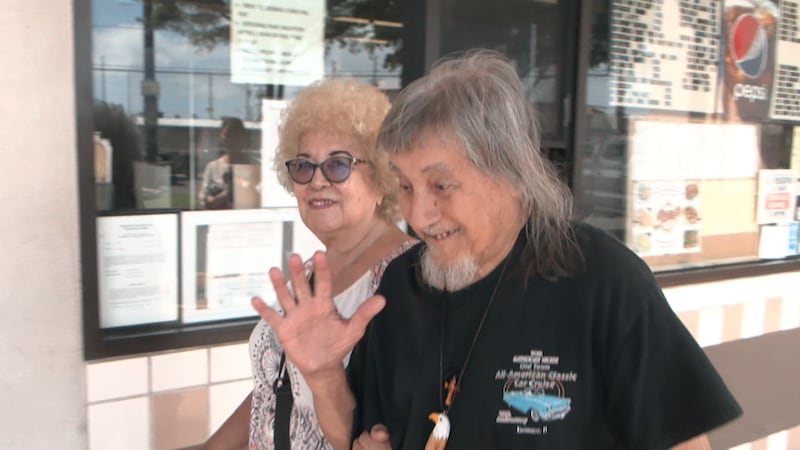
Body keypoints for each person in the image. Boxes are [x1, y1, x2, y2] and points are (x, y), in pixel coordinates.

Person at [252, 50, 742, 450]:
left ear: (510, 173)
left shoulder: (602, 281)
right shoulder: (401, 287)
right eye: (404, 186)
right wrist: (321, 375)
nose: (420, 215)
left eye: (442, 185)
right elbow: (358, 437)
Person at [203, 79, 415, 449]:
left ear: (382, 177)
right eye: (303, 166)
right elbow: (274, 389)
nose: (317, 181)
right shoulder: (312, 273)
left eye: (337, 165)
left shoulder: (408, 278)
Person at [198, 116, 249, 209]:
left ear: (243, 137)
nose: (229, 140)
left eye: (234, 135)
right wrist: (220, 198)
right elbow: (203, 200)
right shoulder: (212, 167)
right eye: (226, 135)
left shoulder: (253, 167)